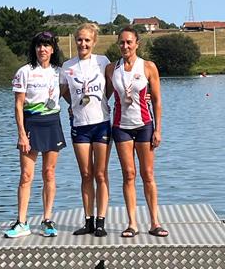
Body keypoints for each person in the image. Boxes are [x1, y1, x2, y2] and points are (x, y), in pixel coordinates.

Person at [106, 26, 167, 238]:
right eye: (121, 42)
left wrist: (158, 129)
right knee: (128, 175)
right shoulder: (111, 69)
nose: (125, 46)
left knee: (147, 174)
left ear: (137, 44)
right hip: (121, 127)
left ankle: (154, 222)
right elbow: (102, 96)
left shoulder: (148, 67)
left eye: (129, 42)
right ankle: (132, 223)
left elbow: (157, 100)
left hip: (145, 125)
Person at [6, 31, 66, 238]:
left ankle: (47, 220)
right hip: (31, 125)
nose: (42, 49)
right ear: (35, 49)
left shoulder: (60, 72)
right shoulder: (24, 71)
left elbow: (71, 94)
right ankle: (21, 222)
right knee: (26, 176)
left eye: (47, 45)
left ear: (52, 49)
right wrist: (21, 134)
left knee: (49, 173)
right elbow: (18, 104)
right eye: (39, 45)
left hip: (53, 124)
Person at [60, 23, 111, 237]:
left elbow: (112, 85)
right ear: (75, 41)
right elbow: (63, 91)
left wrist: (104, 101)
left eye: (87, 40)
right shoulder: (67, 66)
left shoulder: (103, 62)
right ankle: (88, 221)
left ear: (94, 42)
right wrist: (72, 105)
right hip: (80, 126)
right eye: (79, 40)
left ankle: (101, 221)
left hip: (101, 123)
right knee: (86, 174)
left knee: (100, 174)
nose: (83, 44)